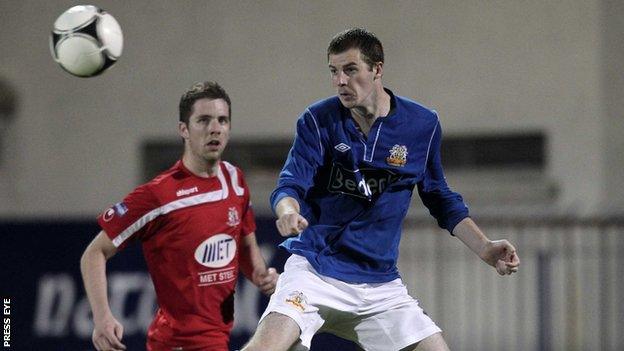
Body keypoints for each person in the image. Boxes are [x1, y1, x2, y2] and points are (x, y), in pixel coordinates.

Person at [242, 28, 520, 351]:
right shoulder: (319, 121)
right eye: (334, 72)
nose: (340, 82)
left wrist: (485, 248)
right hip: (315, 270)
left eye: (350, 70)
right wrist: (288, 211)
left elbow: (441, 199)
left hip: (379, 284)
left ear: (377, 69)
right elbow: (290, 184)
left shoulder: (422, 125)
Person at [80, 81, 279, 351]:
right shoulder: (158, 196)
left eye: (222, 120)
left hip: (219, 338)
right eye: (204, 120)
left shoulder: (235, 179)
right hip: (177, 344)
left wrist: (260, 274)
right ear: (184, 130)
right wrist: (102, 317)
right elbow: (94, 253)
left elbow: (243, 242)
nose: (214, 128)